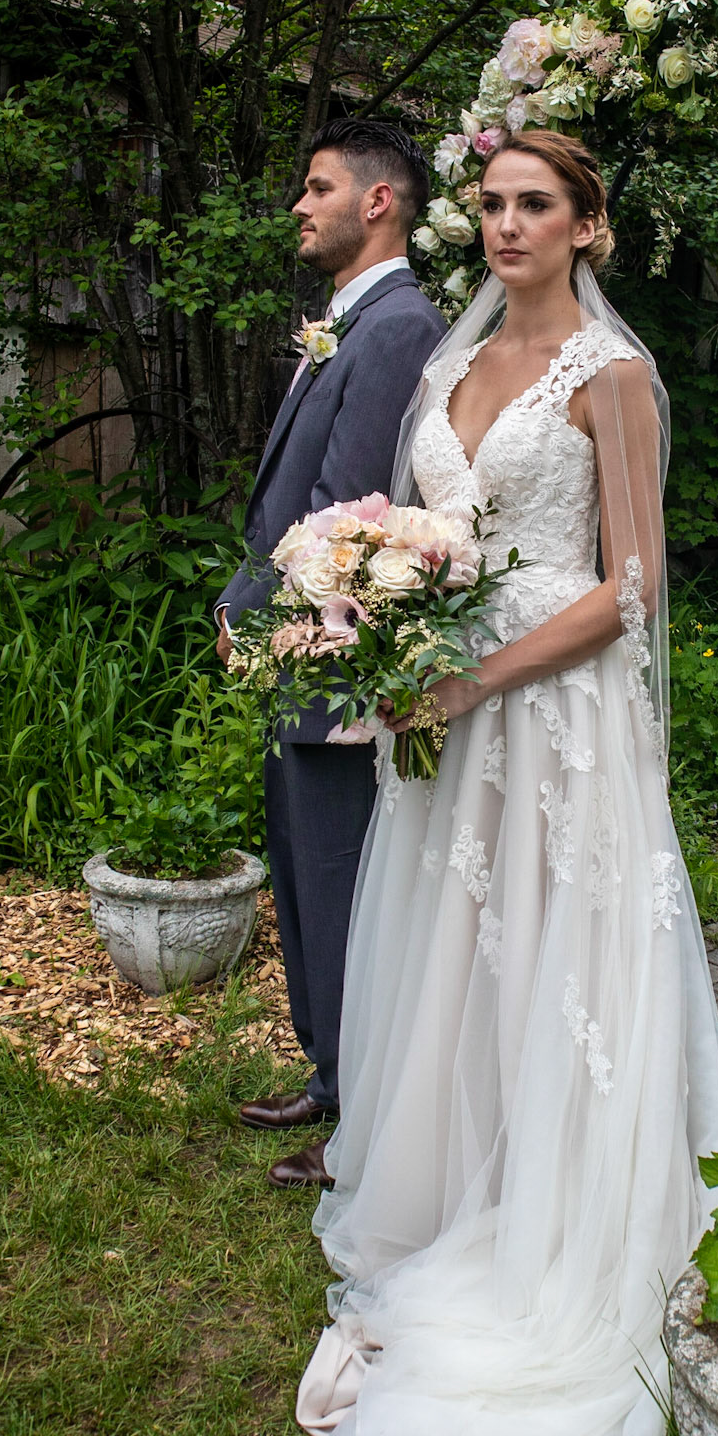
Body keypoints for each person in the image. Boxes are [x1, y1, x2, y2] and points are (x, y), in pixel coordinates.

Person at [244, 129, 718, 1436]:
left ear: (589, 227)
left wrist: (474, 675)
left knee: (553, 965)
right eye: (495, 202)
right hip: (445, 720)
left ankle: (559, 1212)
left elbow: (631, 587)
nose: (509, 223)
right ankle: (462, 1189)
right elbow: (426, 536)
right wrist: (375, 614)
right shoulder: (448, 362)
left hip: (556, 717)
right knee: (455, 963)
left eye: (538, 204)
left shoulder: (610, 375)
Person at [219, 120, 447, 1188]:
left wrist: (254, 607)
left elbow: (344, 509)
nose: (299, 207)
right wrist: (247, 604)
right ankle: (329, 1075)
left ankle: (362, 1107)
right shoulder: (350, 321)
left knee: (342, 879)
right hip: (297, 648)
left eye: (317, 188)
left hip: (339, 655)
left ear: (377, 201)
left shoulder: (398, 327)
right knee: (305, 870)